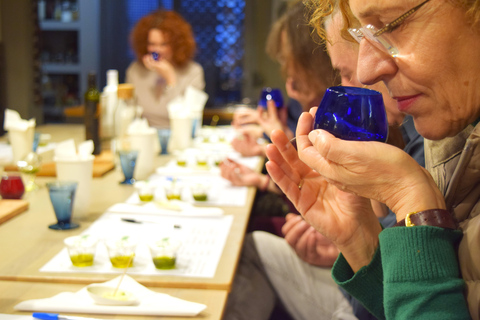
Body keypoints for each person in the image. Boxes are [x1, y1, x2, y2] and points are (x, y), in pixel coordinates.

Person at [267, 0, 480, 317]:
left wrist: (409, 198)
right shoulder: (451, 143)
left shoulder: (431, 142)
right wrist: (359, 238)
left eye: (391, 25)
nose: (367, 72)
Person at [223, 6, 424, 320]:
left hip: (353, 301)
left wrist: (351, 244)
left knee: (242, 246)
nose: (289, 85)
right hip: (364, 289)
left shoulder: (415, 138)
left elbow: (398, 297)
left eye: (344, 72)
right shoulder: (408, 132)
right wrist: (353, 241)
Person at [126, 9, 205, 128]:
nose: (156, 50)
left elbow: (188, 120)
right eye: (152, 44)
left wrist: (171, 79)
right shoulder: (135, 70)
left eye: (163, 44)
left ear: (176, 44)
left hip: (179, 138)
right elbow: (128, 113)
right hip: (144, 136)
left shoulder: (194, 72)